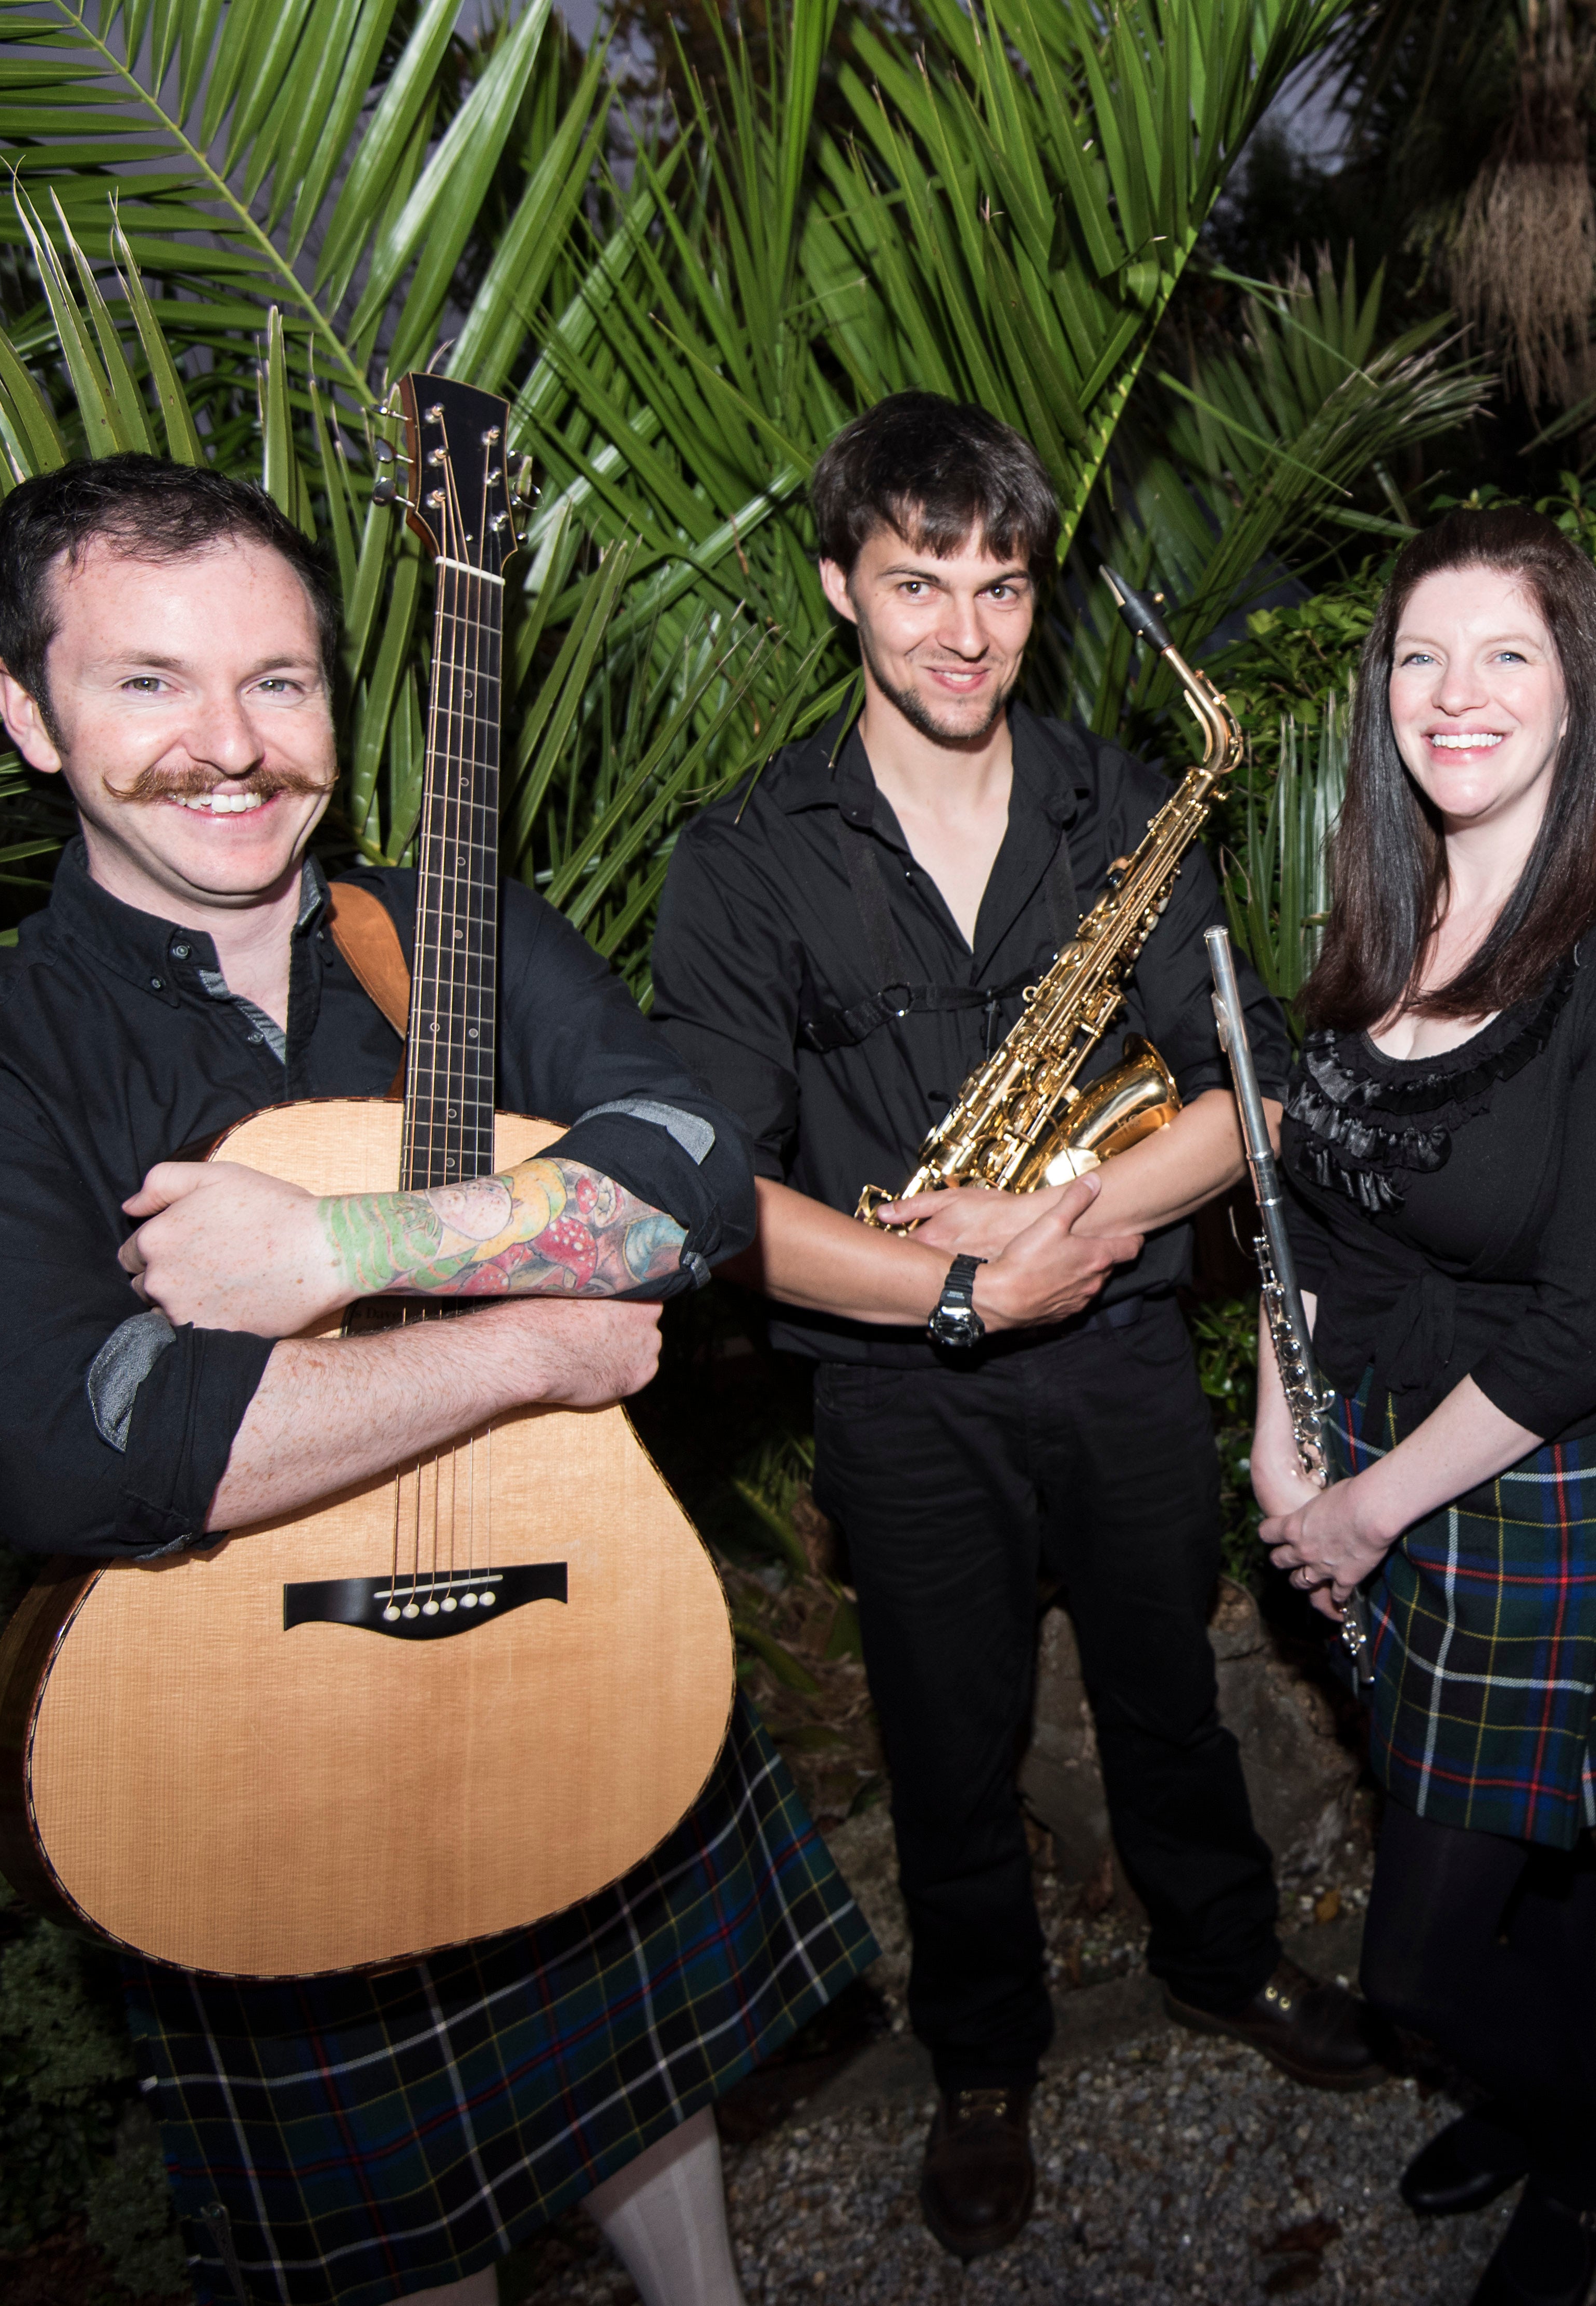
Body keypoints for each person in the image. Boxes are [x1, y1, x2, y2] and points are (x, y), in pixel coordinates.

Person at [0, 456, 875, 2306]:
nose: (229, 746)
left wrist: (346, 1249)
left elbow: (702, 1178)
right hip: (254, 1747)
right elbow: (93, 1453)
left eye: (278, 681)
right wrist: (537, 1335)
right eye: (147, 681)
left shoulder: (450, 933)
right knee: (401, 2255)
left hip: (571, 1638)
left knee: (658, 2114)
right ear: (28, 712)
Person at [646, 392, 1374, 2262]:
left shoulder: (1119, 806)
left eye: (1002, 585)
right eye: (919, 583)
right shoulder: (745, 859)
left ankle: (1222, 1956)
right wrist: (956, 1285)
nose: (966, 632)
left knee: (1168, 1689)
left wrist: (1072, 1225)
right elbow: (715, 1198)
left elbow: (1248, 1093)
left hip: (1118, 1349)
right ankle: (982, 2060)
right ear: (840, 586)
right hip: (897, 1391)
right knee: (947, 1740)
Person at [1259, 507, 1596, 2306]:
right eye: (1421, 657)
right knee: (1521, 1861)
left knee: (1419, 1967)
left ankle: (1579, 2143)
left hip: (1528, 1479)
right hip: (1372, 1443)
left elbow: (1584, 1329)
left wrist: (1363, 1512)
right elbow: (1307, 1210)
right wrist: (1283, 1443)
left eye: (1506, 654)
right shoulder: (1383, 915)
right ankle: (1549, 2106)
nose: (1456, 694)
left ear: (1577, 689)